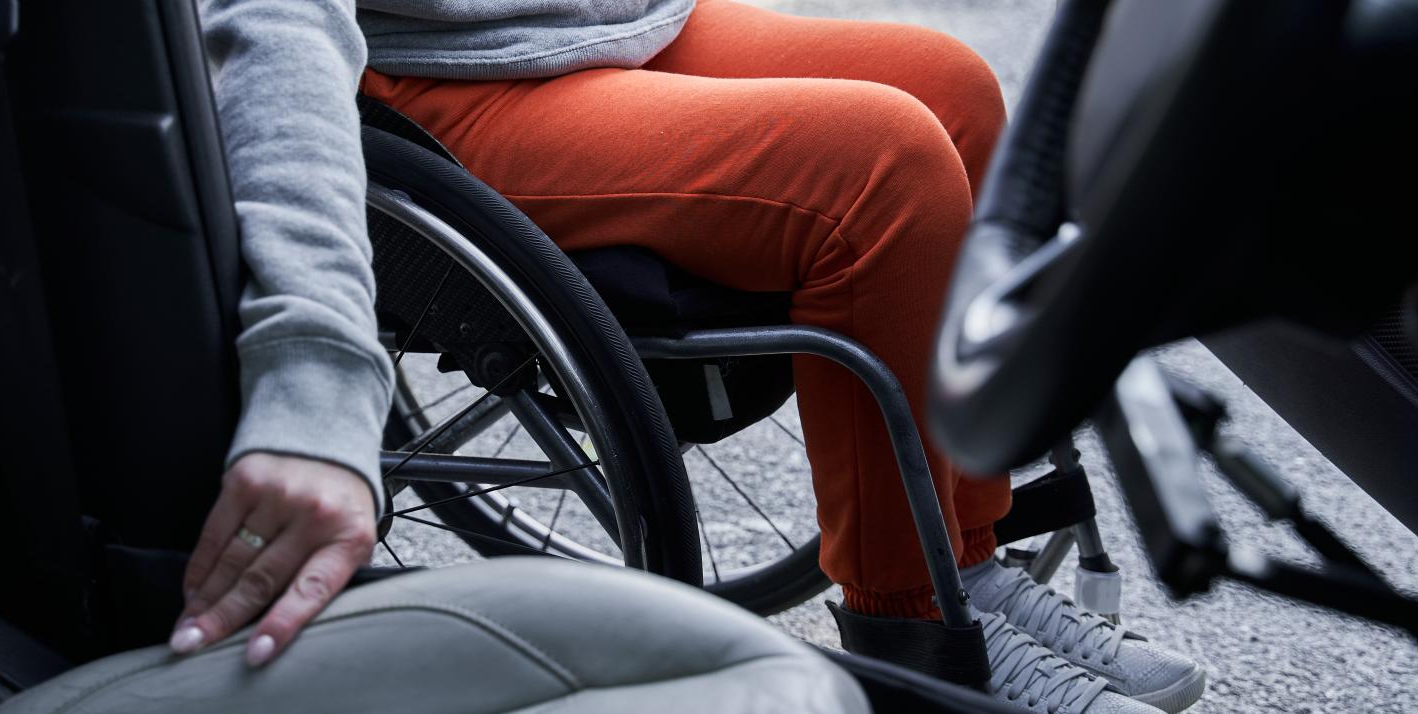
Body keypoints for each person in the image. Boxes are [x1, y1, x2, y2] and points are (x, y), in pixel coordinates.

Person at [168, 1, 1206, 711]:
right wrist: (315, 373)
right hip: (441, 77)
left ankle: (968, 563)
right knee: (883, 167)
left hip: (600, 20)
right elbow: (266, 33)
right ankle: (916, 633)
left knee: (961, 95)